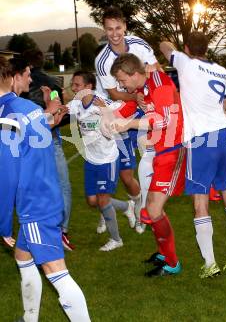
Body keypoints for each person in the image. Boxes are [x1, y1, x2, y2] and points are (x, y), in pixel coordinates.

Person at [0, 56, 91, 321]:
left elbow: (6, 175)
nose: (30, 78)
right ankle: (29, 318)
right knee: (22, 256)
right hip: (45, 195)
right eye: (27, 73)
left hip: (35, 204)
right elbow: (35, 135)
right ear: (13, 77)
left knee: (57, 273)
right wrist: (52, 114)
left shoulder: (8, 115)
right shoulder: (26, 108)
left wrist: (4, 225)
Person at [160, 33, 226, 278]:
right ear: (207, 48)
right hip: (223, 135)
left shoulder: (186, 63)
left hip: (201, 140)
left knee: (200, 201)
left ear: (187, 48)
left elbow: (165, 47)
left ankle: (210, 264)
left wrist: (174, 49)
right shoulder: (221, 71)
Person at [103, 52, 185, 277]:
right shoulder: (142, 88)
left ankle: (172, 263)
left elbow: (164, 119)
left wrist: (127, 124)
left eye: (122, 80)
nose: (120, 85)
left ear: (134, 74)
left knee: (154, 209)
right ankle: (164, 254)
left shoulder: (159, 84)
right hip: (160, 150)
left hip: (174, 149)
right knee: (151, 208)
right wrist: (109, 116)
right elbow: (129, 109)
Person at [95, 6, 159, 234]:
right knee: (124, 174)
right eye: (109, 29)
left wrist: (151, 96)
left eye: (118, 28)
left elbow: (154, 70)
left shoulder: (139, 45)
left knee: (149, 155)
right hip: (118, 109)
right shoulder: (102, 61)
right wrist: (137, 96)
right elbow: (114, 93)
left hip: (142, 105)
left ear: (125, 26)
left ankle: (146, 212)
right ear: (104, 29)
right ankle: (130, 206)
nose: (114, 33)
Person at [68, 70, 136, 251]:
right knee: (92, 201)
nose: (73, 88)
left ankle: (116, 239)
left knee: (103, 200)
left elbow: (124, 107)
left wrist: (107, 111)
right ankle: (127, 206)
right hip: (91, 159)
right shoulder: (76, 104)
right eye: (73, 85)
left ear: (88, 87)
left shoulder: (101, 103)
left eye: (77, 85)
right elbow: (61, 109)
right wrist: (50, 96)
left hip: (108, 160)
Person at [22, 49, 74, 251]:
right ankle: (62, 231)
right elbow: (59, 109)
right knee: (62, 185)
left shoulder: (19, 84)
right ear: (42, 61)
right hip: (49, 136)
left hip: (25, 140)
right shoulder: (51, 83)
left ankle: (34, 229)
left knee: (32, 185)